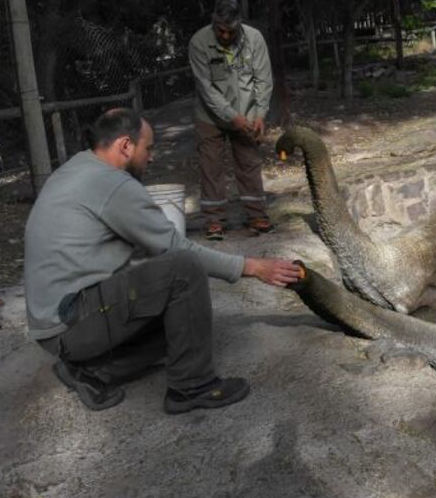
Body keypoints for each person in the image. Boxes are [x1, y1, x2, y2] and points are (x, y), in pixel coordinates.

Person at [24, 108, 301, 414]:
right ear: (126, 145)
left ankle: (91, 371)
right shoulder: (113, 184)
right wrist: (254, 267)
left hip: (56, 326)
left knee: (185, 326)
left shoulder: (77, 167)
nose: (152, 157)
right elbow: (175, 250)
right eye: (149, 148)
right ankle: (192, 386)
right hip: (70, 322)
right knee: (184, 269)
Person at [189, 0, 274, 241]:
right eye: (220, 30)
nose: (225, 35)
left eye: (230, 31)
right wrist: (231, 116)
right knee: (211, 167)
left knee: (249, 164)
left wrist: (259, 115)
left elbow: (263, 80)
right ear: (213, 23)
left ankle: (256, 215)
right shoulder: (198, 42)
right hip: (209, 116)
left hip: (247, 114)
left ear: (240, 25)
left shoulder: (254, 39)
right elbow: (206, 89)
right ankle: (215, 220)